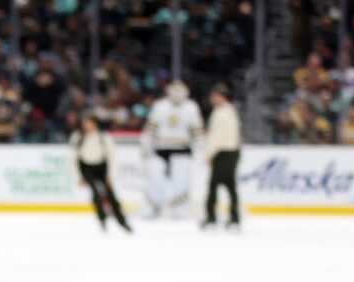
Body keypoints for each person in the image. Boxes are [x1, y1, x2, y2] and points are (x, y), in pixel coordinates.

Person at [140, 80, 202, 219]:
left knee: (181, 181)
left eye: (180, 91)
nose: (177, 94)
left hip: (182, 149)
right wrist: (145, 145)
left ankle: (180, 209)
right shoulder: (160, 106)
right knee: (155, 180)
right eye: (174, 91)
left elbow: (197, 131)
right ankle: (154, 207)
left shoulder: (191, 107)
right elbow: (150, 128)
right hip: (161, 148)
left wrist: (200, 149)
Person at [69, 114, 131, 233]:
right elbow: (73, 158)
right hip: (86, 168)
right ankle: (102, 219)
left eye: (89, 122)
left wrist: (110, 176)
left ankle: (122, 222)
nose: (87, 125)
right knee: (96, 193)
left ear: (95, 123)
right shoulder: (78, 137)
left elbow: (112, 157)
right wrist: (78, 177)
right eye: (85, 122)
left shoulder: (104, 137)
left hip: (102, 168)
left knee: (111, 195)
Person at [201, 83, 242, 232]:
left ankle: (212, 218)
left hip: (223, 153)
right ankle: (234, 218)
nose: (212, 99)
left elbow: (216, 137)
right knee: (230, 186)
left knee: (214, 186)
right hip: (231, 152)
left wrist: (209, 154)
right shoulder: (230, 111)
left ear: (221, 97)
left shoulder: (222, 113)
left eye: (214, 96)